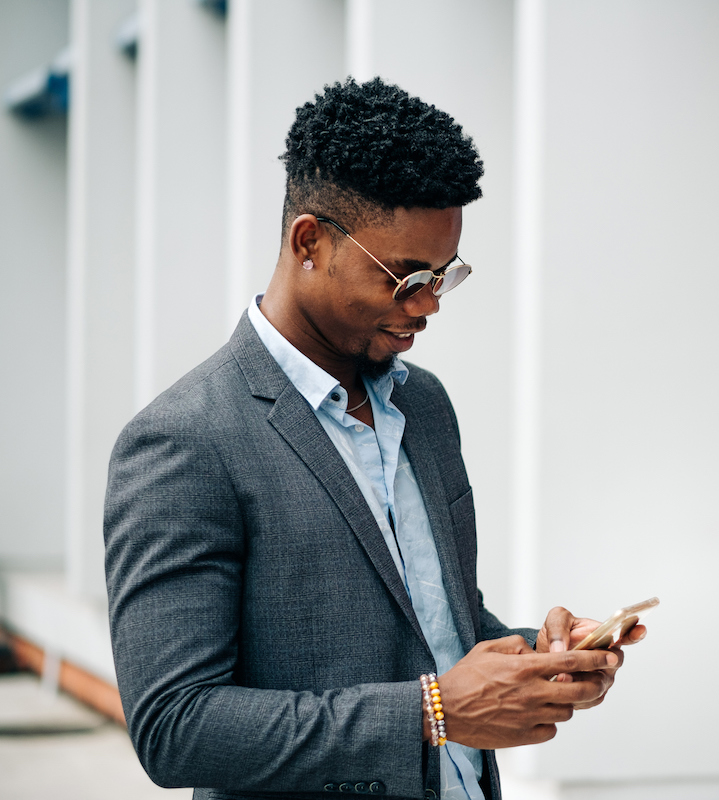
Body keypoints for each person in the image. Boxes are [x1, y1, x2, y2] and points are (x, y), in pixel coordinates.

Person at [104, 77, 644, 800]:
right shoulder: (184, 441)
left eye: (445, 275)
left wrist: (534, 656)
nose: (427, 305)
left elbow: (424, 622)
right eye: (407, 276)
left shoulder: (424, 406)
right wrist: (433, 712)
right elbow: (176, 728)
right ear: (309, 243)